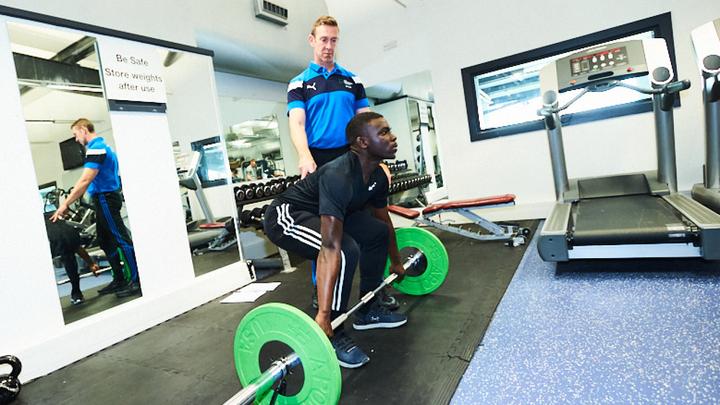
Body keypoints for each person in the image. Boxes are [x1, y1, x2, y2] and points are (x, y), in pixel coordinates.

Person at [263, 112, 406, 368]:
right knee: (344, 251)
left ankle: (368, 308)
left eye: (389, 130)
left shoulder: (379, 175)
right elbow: (330, 248)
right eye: (383, 132)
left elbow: (384, 221)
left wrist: (396, 262)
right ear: (363, 142)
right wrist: (324, 315)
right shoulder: (338, 175)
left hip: (331, 211)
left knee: (376, 233)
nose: (393, 137)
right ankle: (333, 331)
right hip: (287, 215)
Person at [287, 15, 398, 310]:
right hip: (319, 159)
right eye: (323, 39)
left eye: (333, 40)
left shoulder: (352, 79)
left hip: (353, 156)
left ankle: (373, 291)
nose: (328, 46)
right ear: (312, 41)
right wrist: (303, 155)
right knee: (324, 230)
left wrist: (377, 159)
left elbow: (368, 122)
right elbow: (297, 122)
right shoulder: (299, 82)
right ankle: (320, 289)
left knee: (368, 225)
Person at [50, 118, 140, 298]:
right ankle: (120, 279)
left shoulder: (96, 148)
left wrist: (64, 204)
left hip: (106, 198)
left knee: (121, 239)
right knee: (105, 241)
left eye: (75, 134)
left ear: (83, 130)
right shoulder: (100, 147)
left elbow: (85, 180)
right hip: (101, 198)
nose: (76, 139)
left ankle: (137, 280)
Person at [44, 217, 100, 305]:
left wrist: (91, 264)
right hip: (53, 226)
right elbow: (77, 248)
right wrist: (91, 264)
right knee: (68, 251)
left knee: (68, 252)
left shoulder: (66, 235)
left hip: (56, 224)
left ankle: (76, 292)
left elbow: (77, 248)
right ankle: (76, 293)